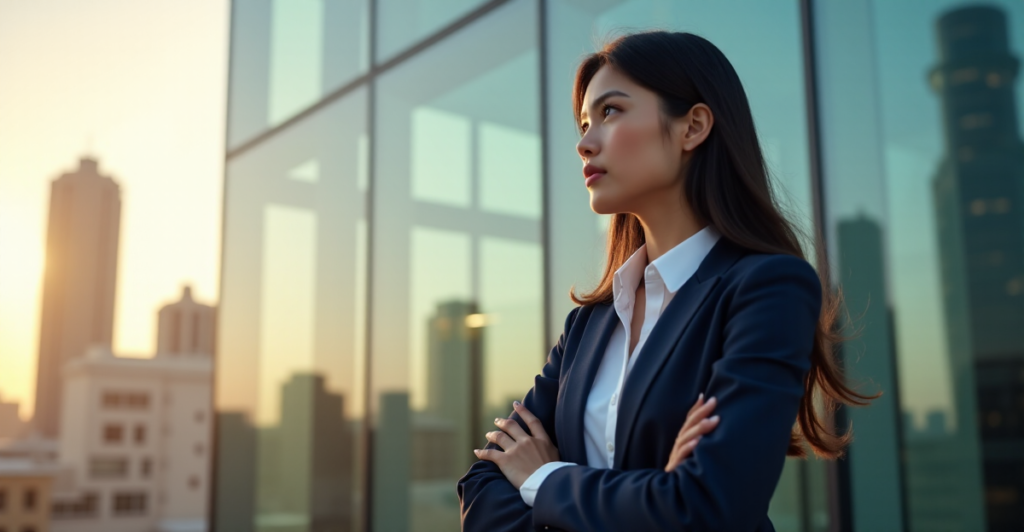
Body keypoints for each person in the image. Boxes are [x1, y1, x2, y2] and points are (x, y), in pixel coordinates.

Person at [456, 31, 874, 532]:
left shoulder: (768, 289)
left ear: (692, 126)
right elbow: (480, 489)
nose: (584, 143)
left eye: (611, 112)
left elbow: (706, 506)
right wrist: (655, 495)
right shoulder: (588, 325)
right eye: (585, 123)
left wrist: (543, 478)